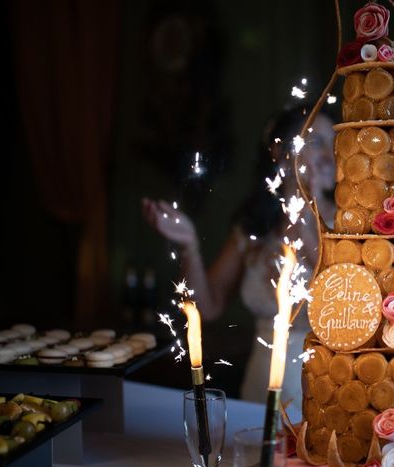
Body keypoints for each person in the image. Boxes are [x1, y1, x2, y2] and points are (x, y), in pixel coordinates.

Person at [142, 105, 336, 410]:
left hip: (324, 385)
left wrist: (304, 228)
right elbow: (209, 306)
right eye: (317, 143)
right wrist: (189, 246)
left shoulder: (350, 225)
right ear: (280, 150)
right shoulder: (254, 228)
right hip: (259, 388)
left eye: (335, 145)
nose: (330, 156)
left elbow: (341, 296)